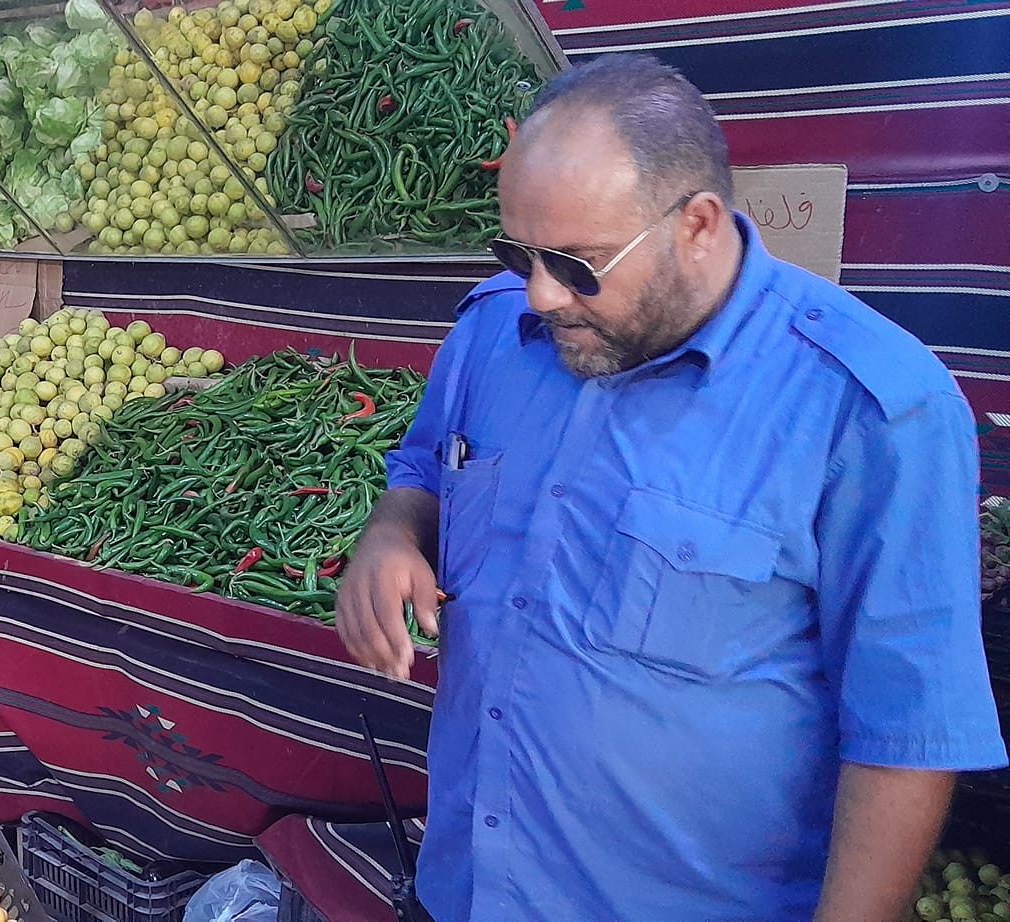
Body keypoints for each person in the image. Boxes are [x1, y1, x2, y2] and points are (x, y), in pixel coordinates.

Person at [335, 52, 1006, 921]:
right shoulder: (492, 332)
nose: (540, 294)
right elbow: (425, 467)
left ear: (696, 225)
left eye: (577, 263)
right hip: (466, 888)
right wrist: (393, 533)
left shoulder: (872, 410)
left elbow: (906, 735)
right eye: (517, 252)